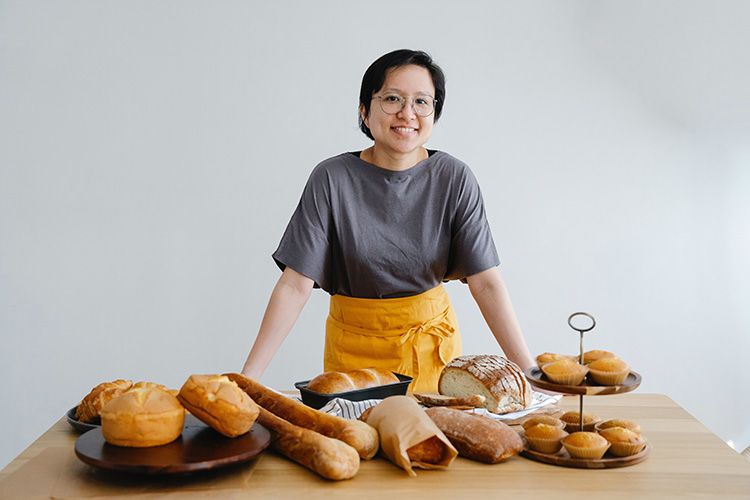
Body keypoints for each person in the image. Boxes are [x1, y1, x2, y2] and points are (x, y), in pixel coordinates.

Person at [241, 49, 534, 392]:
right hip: (351, 358)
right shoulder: (332, 178)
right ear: (365, 111)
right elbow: (295, 285)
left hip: (430, 358)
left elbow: (485, 282)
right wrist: (250, 378)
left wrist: (528, 371)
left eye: (422, 102)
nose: (407, 113)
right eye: (392, 98)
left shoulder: (454, 177)